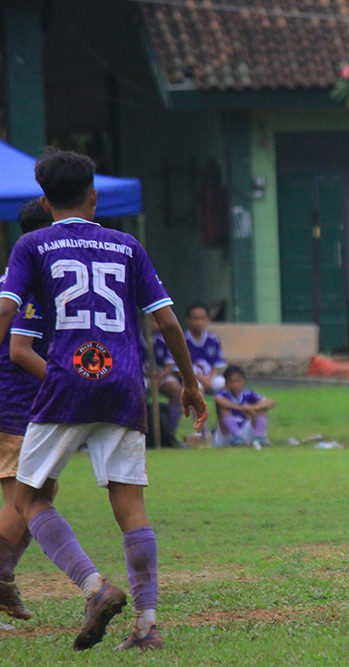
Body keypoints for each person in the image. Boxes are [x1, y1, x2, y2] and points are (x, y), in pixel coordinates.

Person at [0, 149, 208, 651]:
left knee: (28, 498)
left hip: (66, 385)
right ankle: (147, 626)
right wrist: (192, 383)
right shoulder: (127, 245)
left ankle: (94, 587)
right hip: (123, 385)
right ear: (93, 196)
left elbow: (7, 317)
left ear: (45, 201)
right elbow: (167, 322)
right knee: (130, 504)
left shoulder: (31, 245)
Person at [0, 199, 53, 624]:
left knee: (39, 496)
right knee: (26, 501)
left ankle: (4, 579)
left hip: (20, 406)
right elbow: (21, 353)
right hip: (16, 406)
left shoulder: (14, 279)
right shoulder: (31, 283)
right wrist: (65, 382)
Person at [213, 365, 275, 448]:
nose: (235, 384)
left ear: (244, 381)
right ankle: (236, 438)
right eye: (231, 381)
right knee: (224, 410)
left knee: (262, 410)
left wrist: (253, 407)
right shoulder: (222, 394)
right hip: (226, 434)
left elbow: (270, 402)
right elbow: (218, 400)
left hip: (243, 431)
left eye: (238, 381)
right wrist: (241, 408)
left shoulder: (247, 393)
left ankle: (258, 437)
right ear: (226, 383)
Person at [184, 302, 226, 395]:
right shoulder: (183, 340)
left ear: (208, 320)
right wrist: (200, 378)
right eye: (195, 319)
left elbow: (218, 364)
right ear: (188, 320)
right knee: (196, 388)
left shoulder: (213, 339)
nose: (199, 322)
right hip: (191, 378)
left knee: (223, 384)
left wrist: (210, 379)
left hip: (210, 376)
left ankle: (223, 409)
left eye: (202, 319)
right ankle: (198, 410)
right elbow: (179, 369)